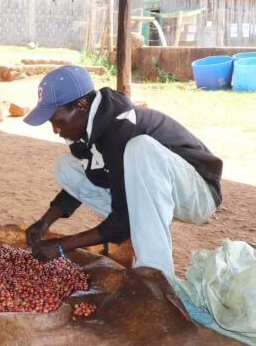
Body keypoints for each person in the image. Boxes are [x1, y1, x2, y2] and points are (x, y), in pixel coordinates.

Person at [24, 65, 223, 279]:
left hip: (198, 193)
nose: (55, 130)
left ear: (81, 106)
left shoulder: (121, 130)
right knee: (65, 166)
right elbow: (89, 171)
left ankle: (155, 277)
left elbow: (123, 218)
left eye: (57, 120)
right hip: (159, 191)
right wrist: (46, 221)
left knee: (140, 149)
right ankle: (138, 232)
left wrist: (64, 245)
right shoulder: (84, 129)